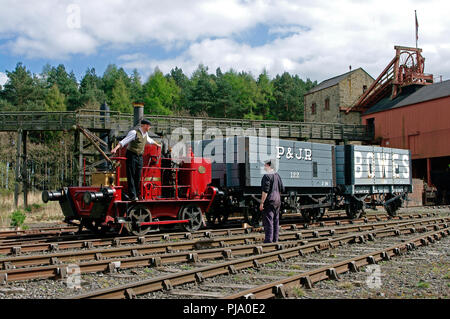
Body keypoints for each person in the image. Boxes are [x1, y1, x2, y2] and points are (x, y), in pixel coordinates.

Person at [111, 119, 161, 201]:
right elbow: (123, 141)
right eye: (148, 126)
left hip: (139, 156)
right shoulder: (134, 133)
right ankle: (132, 196)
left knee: (138, 176)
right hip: (131, 155)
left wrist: (158, 145)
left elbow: (150, 141)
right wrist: (115, 149)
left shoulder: (145, 134)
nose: (149, 127)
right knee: (131, 176)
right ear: (144, 125)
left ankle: (138, 194)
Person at [259, 159, 284, 243]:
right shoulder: (277, 175)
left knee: (269, 221)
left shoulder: (267, 176)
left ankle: (268, 240)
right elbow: (281, 189)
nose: (264, 167)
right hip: (277, 201)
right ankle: (275, 239)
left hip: (269, 201)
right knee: (276, 221)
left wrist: (262, 203)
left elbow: (265, 191)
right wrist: (278, 198)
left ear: (269, 166)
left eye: (265, 165)